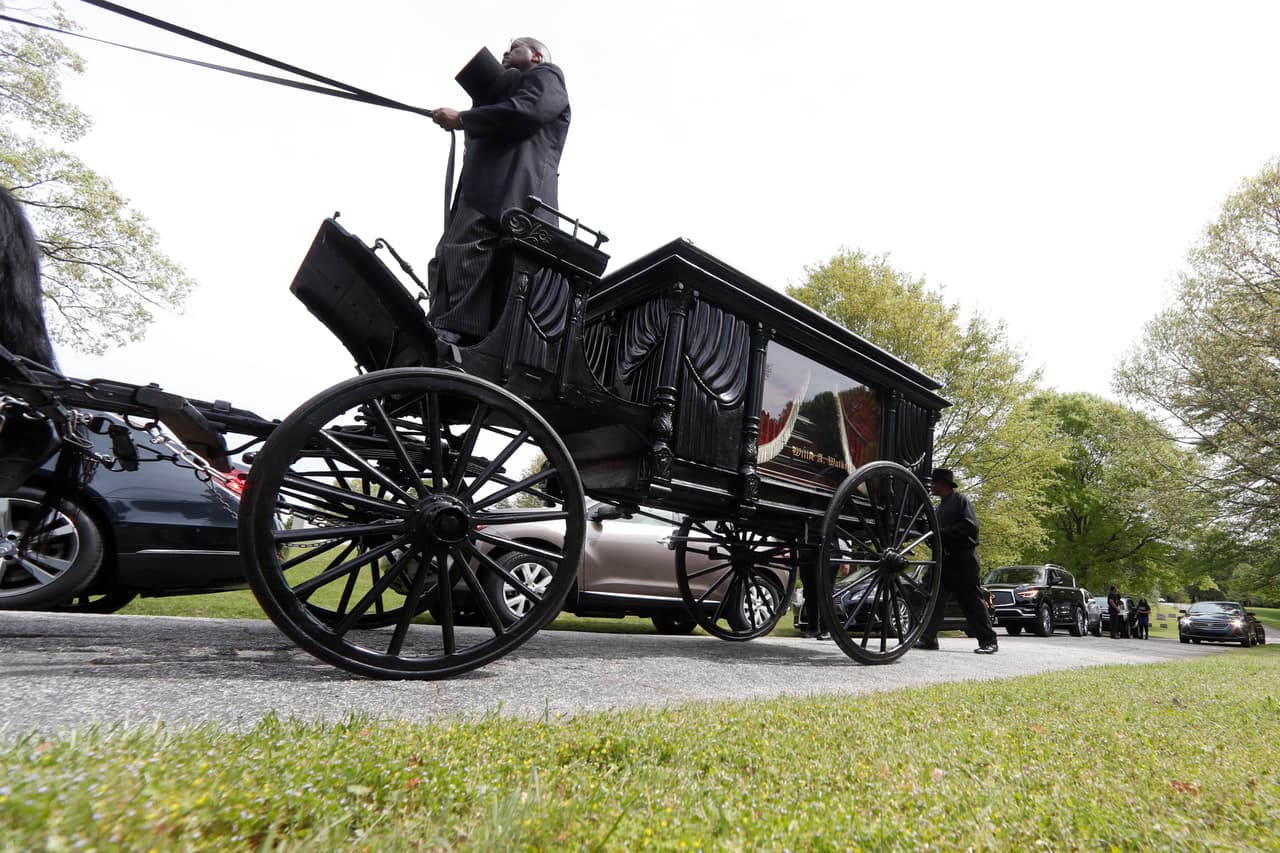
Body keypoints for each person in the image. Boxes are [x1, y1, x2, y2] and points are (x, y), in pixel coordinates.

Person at [428, 37, 571, 345]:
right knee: (446, 257)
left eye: (515, 47)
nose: (506, 52)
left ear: (536, 56)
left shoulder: (547, 76)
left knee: (469, 248)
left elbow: (527, 112)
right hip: (486, 189)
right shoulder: (516, 88)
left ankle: (460, 329)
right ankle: (441, 324)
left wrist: (464, 119)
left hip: (506, 192)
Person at [915, 468, 999, 654]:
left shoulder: (960, 501)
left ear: (943, 484)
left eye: (935, 483)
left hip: (963, 560)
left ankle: (988, 641)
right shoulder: (940, 507)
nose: (932, 487)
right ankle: (929, 638)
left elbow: (970, 527)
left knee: (971, 601)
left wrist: (941, 533)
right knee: (934, 600)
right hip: (944, 560)